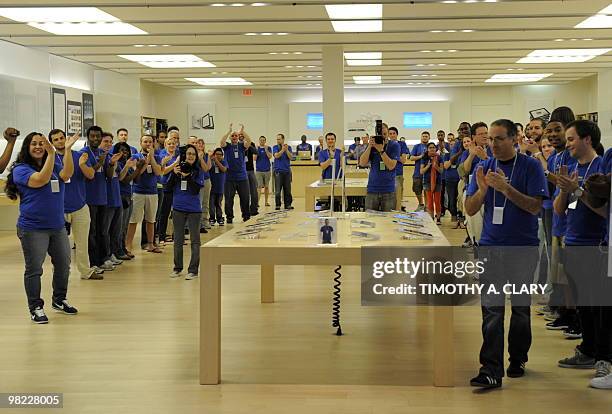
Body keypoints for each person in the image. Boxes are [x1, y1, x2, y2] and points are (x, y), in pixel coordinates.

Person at [465, 119, 547, 388]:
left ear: (514, 139)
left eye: (499, 138)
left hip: (522, 249)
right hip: (490, 248)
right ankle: (490, 369)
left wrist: (506, 189)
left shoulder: (531, 167)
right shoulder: (483, 167)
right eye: (490, 138)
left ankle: (518, 357)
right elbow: (470, 208)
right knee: (492, 311)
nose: (493, 144)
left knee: (521, 310)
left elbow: (535, 207)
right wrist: (484, 190)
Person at [5, 131, 79, 323]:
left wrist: (68, 151)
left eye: (41, 143)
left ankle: (59, 299)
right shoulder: (20, 169)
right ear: (27, 148)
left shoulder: (54, 163)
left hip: (57, 226)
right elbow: (40, 180)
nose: (38, 147)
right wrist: (53, 154)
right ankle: (36, 307)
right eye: (34, 144)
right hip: (33, 228)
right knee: (34, 269)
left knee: (63, 265)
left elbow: (66, 175)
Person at [554, 120, 608, 383]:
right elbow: (558, 209)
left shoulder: (601, 167)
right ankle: (587, 350)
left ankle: (601, 356)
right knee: (583, 304)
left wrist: (578, 190)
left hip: (595, 245)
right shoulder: (572, 167)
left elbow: (604, 211)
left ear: (587, 139)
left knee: (598, 305)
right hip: (572, 241)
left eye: (572, 139)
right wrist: (566, 190)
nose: (568, 144)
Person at [50, 129, 100, 280]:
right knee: (59, 247)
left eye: (62, 138)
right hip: (59, 208)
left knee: (82, 243)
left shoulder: (79, 155)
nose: (60, 141)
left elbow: (91, 175)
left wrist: (82, 165)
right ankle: (60, 273)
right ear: (52, 143)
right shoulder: (49, 159)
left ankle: (86, 271)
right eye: (56, 139)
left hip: (80, 206)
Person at [167, 144, 205, 280]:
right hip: (178, 208)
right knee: (178, 240)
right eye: (188, 154)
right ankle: (177, 268)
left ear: (196, 157)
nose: (190, 156)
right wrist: (174, 174)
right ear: (184, 155)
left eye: (193, 154)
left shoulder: (198, 171)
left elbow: (196, 190)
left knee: (195, 240)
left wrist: (187, 176)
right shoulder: (177, 168)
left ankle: (193, 270)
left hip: (194, 210)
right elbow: (168, 187)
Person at [83, 126, 113, 273]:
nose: (95, 139)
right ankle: (93, 262)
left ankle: (104, 258)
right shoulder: (84, 154)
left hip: (103, 198)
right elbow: (89, 174)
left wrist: (111, 163)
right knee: (92, 232)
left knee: (102, 231)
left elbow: (108, 174)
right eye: (92, 136)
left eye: (97, 136)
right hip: (89, 199)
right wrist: (99, 163)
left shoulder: (103, 153)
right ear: (88, 137)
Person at [125, 135, 163, 255]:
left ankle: (151, 244)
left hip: (152, 192)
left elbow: (158, 172)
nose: (148, 144)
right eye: (145, 142)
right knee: (134, 219)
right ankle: (128, 245)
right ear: (140, 143)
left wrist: (151, 158)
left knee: (151, 219)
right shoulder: (135, 156)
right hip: (138, 192)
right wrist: (145, 163)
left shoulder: (156, 157)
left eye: (150, 142)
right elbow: (137, 174)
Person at [459, 122, 491, 247]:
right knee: (475, 227)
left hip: (490, 193)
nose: (484, 136)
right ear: (474, 137)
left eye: (486, 133)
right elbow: (463, 171)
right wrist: (472, 154)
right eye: (481, 134)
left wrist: (485, 157)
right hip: (473, 193)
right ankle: (477, 247)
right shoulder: (467, 152)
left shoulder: (494, 149)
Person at [359, 123, 400, 211]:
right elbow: (362, 163)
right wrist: (369, 147)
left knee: (388, 221)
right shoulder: (372, 146)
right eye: (380, 135)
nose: (383, 137)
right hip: (372, 189)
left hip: (388, 189)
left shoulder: (394, 145)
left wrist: (381, 150)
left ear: (388, 134)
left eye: (385, 134)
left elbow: (391, 166)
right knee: (370, 219)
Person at [100, 132, 126, 268]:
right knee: (105, 231)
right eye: (106, 141)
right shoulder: (101, 158)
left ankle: (113, 253)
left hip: (117, 199)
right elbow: (108, 176)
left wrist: (128, 165)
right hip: (107, 200)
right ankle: (106, 255)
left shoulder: (112, 156)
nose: (109, 144)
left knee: (115, 230)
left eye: (110, 142)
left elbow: (120, 177)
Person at [220, 124, 252, 223]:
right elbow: (222, 142)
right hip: (230, 177)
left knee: (245, 198)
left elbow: (249, 141)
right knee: (229, 199)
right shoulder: (227, 146)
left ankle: (246, 216)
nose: (234, 137)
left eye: (236, 136)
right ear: (230, 138)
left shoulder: (242, 146)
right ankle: (229, 217)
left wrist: (242, 131)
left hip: (242, 177)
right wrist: (229, 131)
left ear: (238, 137)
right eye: (232, 136)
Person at [157, 136, 180, 244]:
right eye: (169, 143)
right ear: (165, 145)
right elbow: (163, 171)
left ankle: (175, 236)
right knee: (164, 213)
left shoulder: (178, 156)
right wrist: (174, 165)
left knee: (176, 213)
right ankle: (161, 236)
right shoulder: (163, 155)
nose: (171, 145)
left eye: (173, 143)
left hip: (177, 187)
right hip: (166, 186)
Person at [420, 142, 443, 224]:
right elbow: (421, 171)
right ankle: (431, 218)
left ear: (436, 149)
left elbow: (441, 170)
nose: (432, 149)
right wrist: (428, 165)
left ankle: (439, 218)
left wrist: (436, 166)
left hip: (437, 182)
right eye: (430, 147)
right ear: (427, 149)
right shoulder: (424, 158)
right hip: (427, 182)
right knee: (429, 201)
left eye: (433, 147)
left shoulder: (439, 157)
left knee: (437, 201)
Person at [410, 131, 430, 211]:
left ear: (429, 138)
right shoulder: (416, 146)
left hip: (427, 173)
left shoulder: (431, 146)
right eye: (423, 136)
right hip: (417, 173)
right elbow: (411, 158)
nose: (424, 137)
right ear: (421, 137)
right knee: (416, 189)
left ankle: (427, 206)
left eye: (426, 136)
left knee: (426, 190)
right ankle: (421, 204)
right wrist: (421, 156)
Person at [273, 133, 294, 210]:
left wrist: (286, 150)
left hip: (287, 171)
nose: (278, 141)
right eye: (277, 139)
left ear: (283, 139)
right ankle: (278, 205)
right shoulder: (275, 147)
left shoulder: (289, 147)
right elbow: (276, 156)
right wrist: (282, 150)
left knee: (287, 189)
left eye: (279, 139)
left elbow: (291, 157)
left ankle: (287, 204)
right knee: (278, 190)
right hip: (278, 171)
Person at [390, 127, 408, 211]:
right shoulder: (386, 144)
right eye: (390, 133)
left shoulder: (402, 144)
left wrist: (393, 156)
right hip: (388, 174)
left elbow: (403, 160)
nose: (392, 135)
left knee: (398, 196)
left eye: (394, 133)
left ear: (397, 134)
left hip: (398, 173)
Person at [195, 138, 212, 231]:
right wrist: (199, 158)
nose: (200, 145)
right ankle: (198, 223)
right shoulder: (193, 155)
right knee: (198, 202)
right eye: (199, 143)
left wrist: (207, 156)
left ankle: (205, 221)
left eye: (202, 143)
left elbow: (208, 167)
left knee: (205, 202)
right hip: (197, 181)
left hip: (206, 180)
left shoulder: (206, 155)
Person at [209, 148, 228, 226]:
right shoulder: (211, 162)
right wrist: (211, 158)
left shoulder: (224, 162)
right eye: (216, 154)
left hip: (220, 187)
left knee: (219, 204)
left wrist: (217, 161)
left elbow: (224, 169)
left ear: (222, 156)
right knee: (211, 204)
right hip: (212, 187)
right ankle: (212, 218)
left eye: (220, 155)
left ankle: (220, 218)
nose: (218, 156)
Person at [255, 136, 273, 207]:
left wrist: (266, 150)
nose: (262, 141)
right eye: (261, 140)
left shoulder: (268, 148)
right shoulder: (257, 148)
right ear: (259, 141)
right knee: (259, 187)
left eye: (263, 140)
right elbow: (254, 158)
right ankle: (257, 203)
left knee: (266, 187)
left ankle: (266, 202)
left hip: (267, 170)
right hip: (259, 170)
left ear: (265, 141)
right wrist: (256, 151)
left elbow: (270, 157)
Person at [245, 140, 259, 216]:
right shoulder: (237, 145)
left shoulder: (251, 144)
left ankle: (254, 209)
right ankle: (246, 211)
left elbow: (256, 152)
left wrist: (249, 145)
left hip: (251, 170)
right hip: (242, 172)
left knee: (254, 191)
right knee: (245, 193)